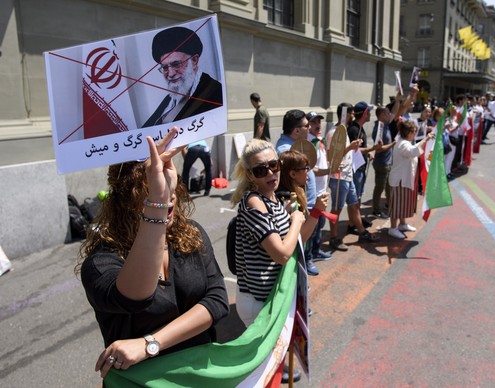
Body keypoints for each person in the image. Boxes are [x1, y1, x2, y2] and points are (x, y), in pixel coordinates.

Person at [77, 127, 229, 379]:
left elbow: (216, 301)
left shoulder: (190, 234)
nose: (166, 199)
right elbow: (135, 298)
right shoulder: (101, 261)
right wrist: (156, 204)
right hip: (143, 382)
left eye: (168, 186)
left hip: (199, 374)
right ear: (125, 201)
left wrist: (150, 344)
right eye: (148, 191)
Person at [230, 139, 323, 383]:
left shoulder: (271, 198)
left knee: (271, 369)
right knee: (261, 376)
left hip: (274, 297)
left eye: (274, 165)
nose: (271, 173)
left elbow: (295, 244)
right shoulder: (254, 204)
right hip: (260, 302)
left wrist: (307, 216)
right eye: (262, 170)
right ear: (251, 175)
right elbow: (282, 254)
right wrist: (295, 220)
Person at [143, 27, 223, 127]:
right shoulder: (172, 97)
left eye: (176, 64)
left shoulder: (215, 93)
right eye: (165, 67)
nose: (171, 74)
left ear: (194, 61)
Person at [326, 103, 379, 250]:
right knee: (337, 208)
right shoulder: (334, 133)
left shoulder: (344, 131)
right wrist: (350, 147)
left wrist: (354, 147)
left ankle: (362, 232)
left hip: (348, 175)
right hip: (339, 177)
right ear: (344, 114)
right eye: (350, 113)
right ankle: (334, 237)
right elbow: (334, 156)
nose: (352, 116)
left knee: (354, 204)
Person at [275, 109, 319, 276]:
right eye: (307, 125)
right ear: (296, 130)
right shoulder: (286, 151)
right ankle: (305, 261)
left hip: (305, 201)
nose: (311, 128)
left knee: (310, 232)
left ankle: (309, 256)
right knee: (300, 239)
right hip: (297, 205)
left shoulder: (300, 145)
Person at [388, 121, 434, 239]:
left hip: (404, 178)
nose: (415, 134)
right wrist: (426, 140)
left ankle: (402, 224)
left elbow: (414, 149)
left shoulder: (406, 142)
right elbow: (413, 151)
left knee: (403, 203)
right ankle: (393, 228)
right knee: (397, 205)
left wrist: (425, 142)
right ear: (408, 133)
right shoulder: (403, 144)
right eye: (414, 131)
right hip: (399, 179)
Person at [306, 111, 333, 262]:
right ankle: (308, 257)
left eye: (319, 122)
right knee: (312, 226)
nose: (318, 125)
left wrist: (333, 165)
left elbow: (324, 162)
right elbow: (311, 170)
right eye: (313, 122)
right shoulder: (309, 144)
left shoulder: (320, 140)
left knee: (320, 223)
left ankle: (316, 250)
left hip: (322, 189)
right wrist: (329, 170)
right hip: (313, 192)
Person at [371, 106, 397, 219]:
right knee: (379, 188)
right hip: (381, 164)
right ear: (382, 115)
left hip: (388, 163)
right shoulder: (378, 129)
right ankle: (376, 210)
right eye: (387, 113)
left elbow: (397, 111)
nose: (389, 114)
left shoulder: (385, 125)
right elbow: (378, 148)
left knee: (388, 187)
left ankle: (390, 205)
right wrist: (392, 144)